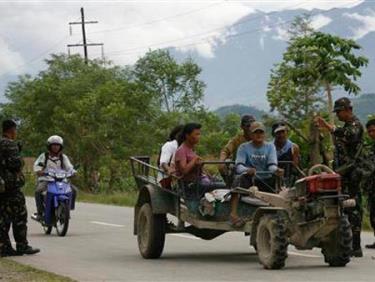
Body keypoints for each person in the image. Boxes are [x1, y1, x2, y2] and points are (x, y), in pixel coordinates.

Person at [315, 97, 364, 257]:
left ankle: (355, 246)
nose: (337, 115)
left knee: (354, 208)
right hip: (343, 173)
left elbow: (350, 136)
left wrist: (330, 127)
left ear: (347, 110)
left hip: (352, 174)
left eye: (339, 112)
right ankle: (347, 243)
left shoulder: (355, 125)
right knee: (344, 207)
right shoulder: (347, 126)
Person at [230, 121, 283, 227]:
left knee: (280, 183)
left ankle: (278, 213)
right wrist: (247, 170)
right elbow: (239, 166)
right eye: (256, 132)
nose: (259, 135)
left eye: (261, 132)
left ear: (264, 134)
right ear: (250, 134)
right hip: (250, 179)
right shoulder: (243, 147)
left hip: (266, 178)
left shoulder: (270, 147)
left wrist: (276, 170)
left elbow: (271, 165)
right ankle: (234, 214)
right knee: (238, 180)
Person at [0, 119, 40, 257]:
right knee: (20, 216)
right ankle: (22, 245)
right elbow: (16, 163)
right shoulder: (9, 144)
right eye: (15, 130)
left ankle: (4, 246)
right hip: (11, 186)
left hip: (2, 187)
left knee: (3, 217)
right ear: (11, 130)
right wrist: (18, 154)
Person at [33, 135, 76, 221]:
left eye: (58, 145)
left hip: (61, 180)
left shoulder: (63, 157)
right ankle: (40, 213)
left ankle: (67, 210)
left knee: (74, 190)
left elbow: (69, 167)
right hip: (47, 180)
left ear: (61, 147)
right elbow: (37, 165)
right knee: (38, 191)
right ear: (49, 146)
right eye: (54, 145)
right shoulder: (44, 156)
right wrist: (39, 171)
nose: (56, 147)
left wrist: (73, 172)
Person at [353, 119, 375, 249]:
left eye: (374, 130)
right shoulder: (370, 147)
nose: (372, 133)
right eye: (370, 131)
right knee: (373, 214)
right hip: (372, 186)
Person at [219, 115, 256, 183]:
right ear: (242, 127)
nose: (250, 129)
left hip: (257, 170)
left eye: (253, 126)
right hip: (240, 170)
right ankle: (229, 186)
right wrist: (221, 162)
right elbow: (225, 150)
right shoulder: (237, 140)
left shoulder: (259, 139)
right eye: (248, 126)